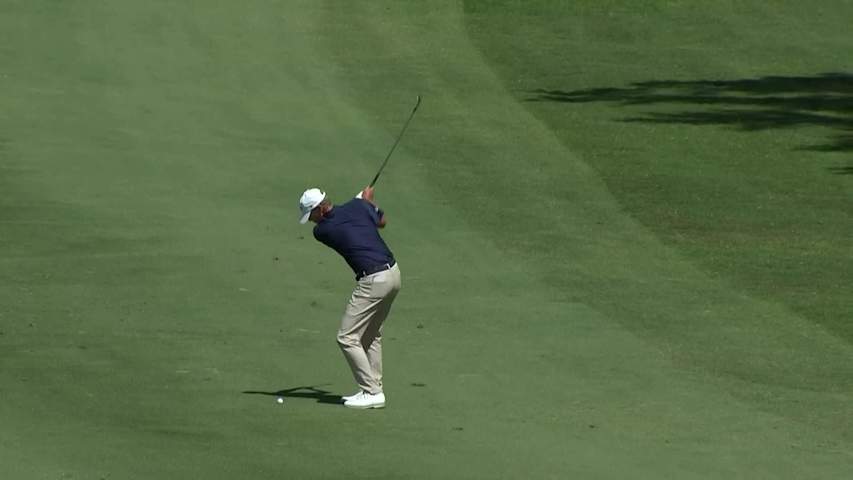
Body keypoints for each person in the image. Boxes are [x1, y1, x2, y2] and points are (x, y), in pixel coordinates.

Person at [297, 186, 401, 409]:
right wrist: (368, 202)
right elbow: (380, 221)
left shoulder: (322, 230)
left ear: (321, 210)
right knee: (371, 335)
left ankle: (371, 391)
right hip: (393, 275)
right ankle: (375, 391)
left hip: (373, 281)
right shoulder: (356, 208)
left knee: (347, 337)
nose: (312, 222)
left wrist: (362, 202)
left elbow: (343, 217)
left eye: (312, 215)